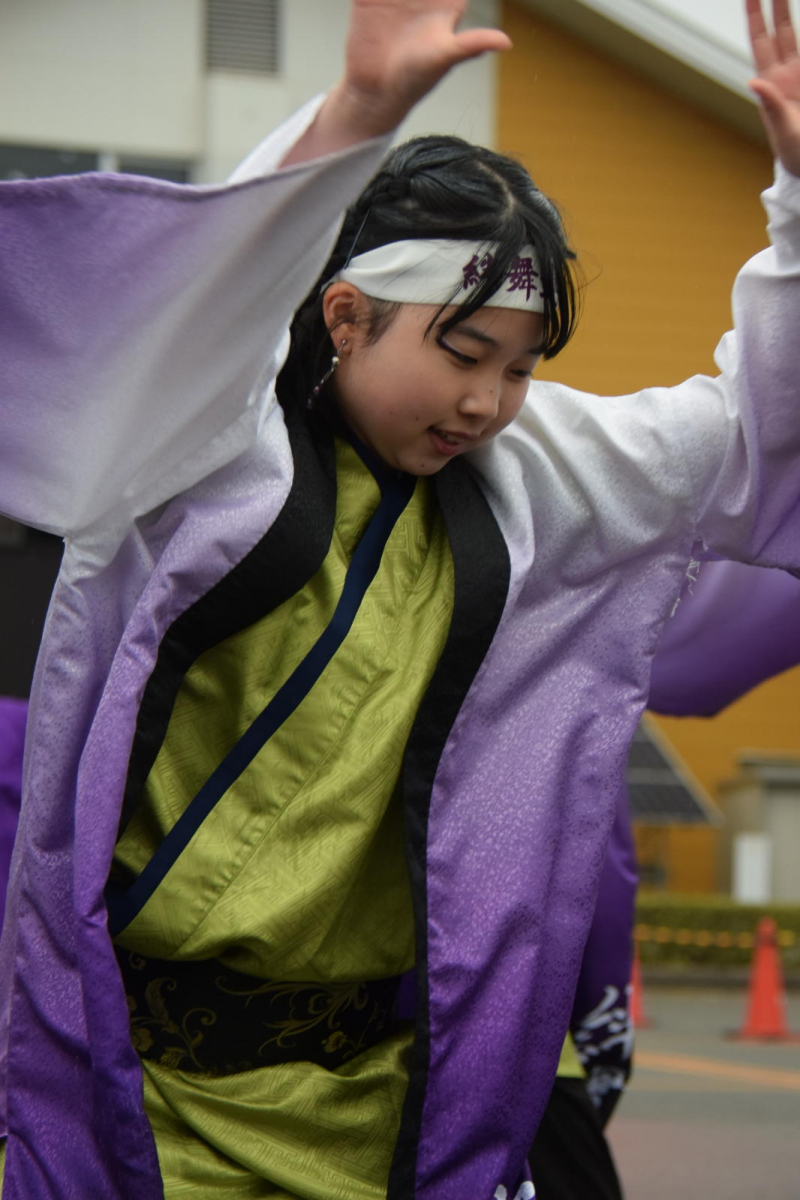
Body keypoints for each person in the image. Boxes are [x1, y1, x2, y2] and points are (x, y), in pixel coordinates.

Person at [1, 1, 799, 1196]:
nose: (487, 400)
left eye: (522, 366)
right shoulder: (199, 448)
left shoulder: (539, 481)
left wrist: (794, 203)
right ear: (343, 313)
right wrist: (361, 114)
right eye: (462, 349)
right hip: (150, 1094)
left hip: (386, 1100)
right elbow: (183, 315)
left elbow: (754, 436)